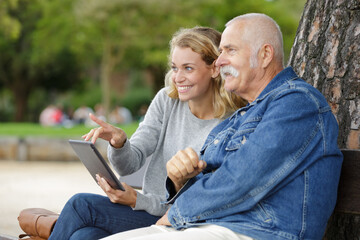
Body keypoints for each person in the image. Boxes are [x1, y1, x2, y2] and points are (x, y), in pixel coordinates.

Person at [100, 13, 343, 240]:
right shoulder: (244, 115)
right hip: (214, 225)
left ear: (265, 54)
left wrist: (174, 215)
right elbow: (207, 178)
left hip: (259, 231)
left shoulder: (296, 103)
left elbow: (241, 180)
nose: (221, 60)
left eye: (230, 50)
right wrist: (177, 180)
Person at [48, 26, 245, 240]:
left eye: (188, 68)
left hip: (181, 224)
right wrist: (119, 143)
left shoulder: (232, 123)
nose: (177, 77)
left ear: (215, 69)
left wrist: (137, 200)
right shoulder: (167, 100)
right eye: (175, 68)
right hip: (149, 212)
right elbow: (130, 164)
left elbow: (198, 203)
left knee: (81, 205)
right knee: (84, 236)